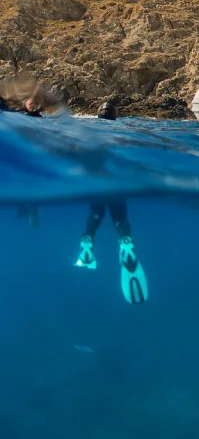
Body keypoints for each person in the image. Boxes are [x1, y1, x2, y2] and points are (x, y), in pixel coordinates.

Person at [74, 101, 148, 304]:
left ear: (98, 116)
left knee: (96, 211)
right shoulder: (121, 131)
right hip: (115, 182)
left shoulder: (89, 131)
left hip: (94, 182)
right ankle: (126, 245)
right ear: (115, 116)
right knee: (119, 216)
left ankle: (87, 241)